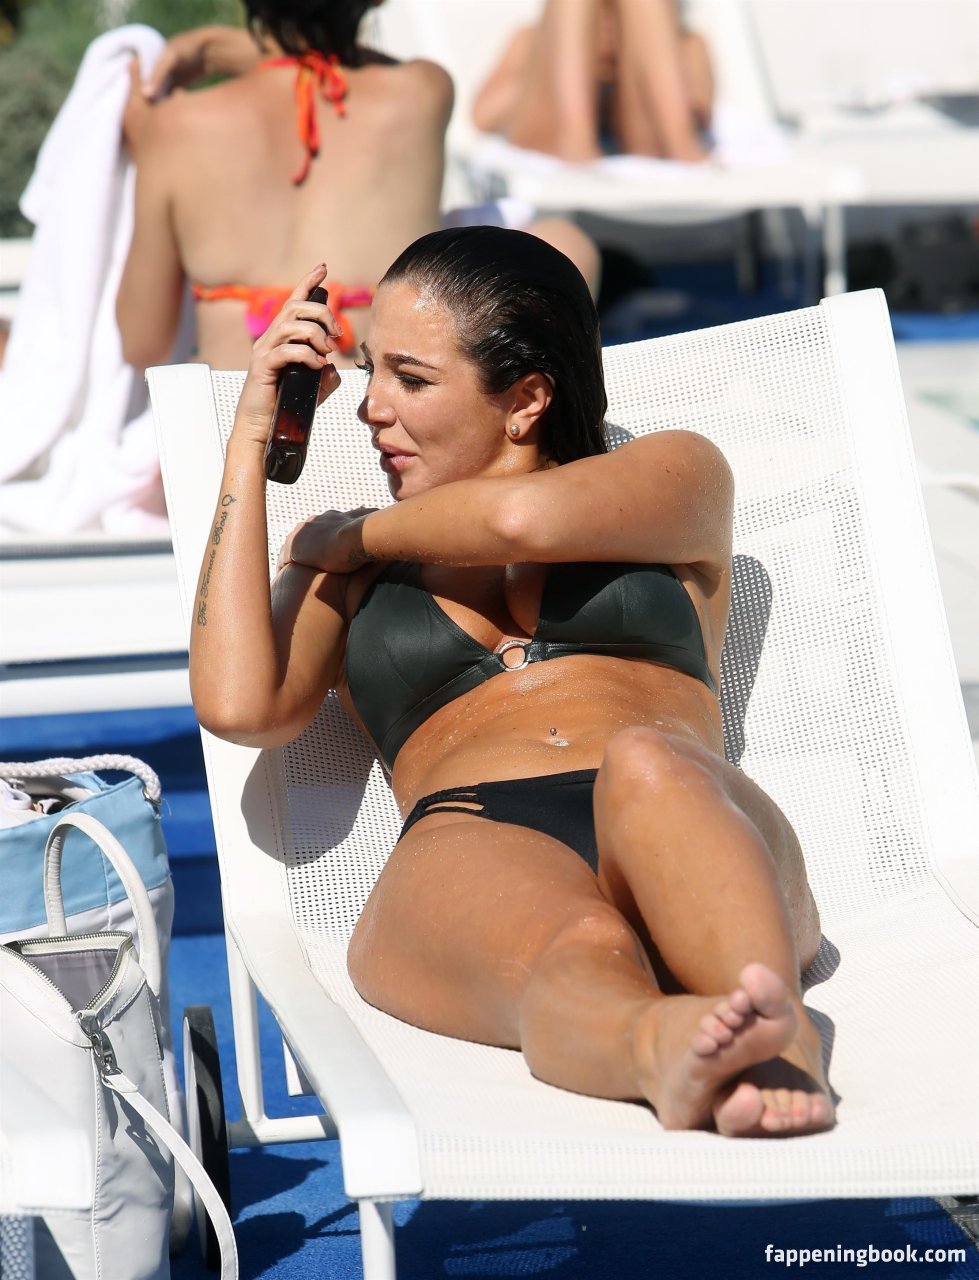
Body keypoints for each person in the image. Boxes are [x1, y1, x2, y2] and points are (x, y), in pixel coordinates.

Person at [190, 225, 834, 1136]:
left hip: (671, 797)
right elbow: (238, 706)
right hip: (474, 830)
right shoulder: (344, 570)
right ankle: (666, 1048)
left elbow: (523, 520)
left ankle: (773, 1034)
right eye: (370, 371)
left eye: (411, 379)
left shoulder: (667, 474)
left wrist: (355, 537)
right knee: (577, 947)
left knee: (647, 763)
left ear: (526, 400)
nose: (370, 407)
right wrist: (250, 441)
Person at [117, 2, 599, 373]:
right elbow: (354, 66)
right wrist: (228, 46)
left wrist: (217, 51)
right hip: (382, 426)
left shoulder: (173, 126)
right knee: (565, 241)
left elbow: (142, 343)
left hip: (239, 429)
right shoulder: (423, 93)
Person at [473, 0, 713, 164]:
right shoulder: (530, 40)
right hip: (552, 132)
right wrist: (580, 70)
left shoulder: (688, 44)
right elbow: (483, 116)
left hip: (646, 140)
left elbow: (702, 115)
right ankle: (576, 137)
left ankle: (680, 143)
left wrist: (623, 78)